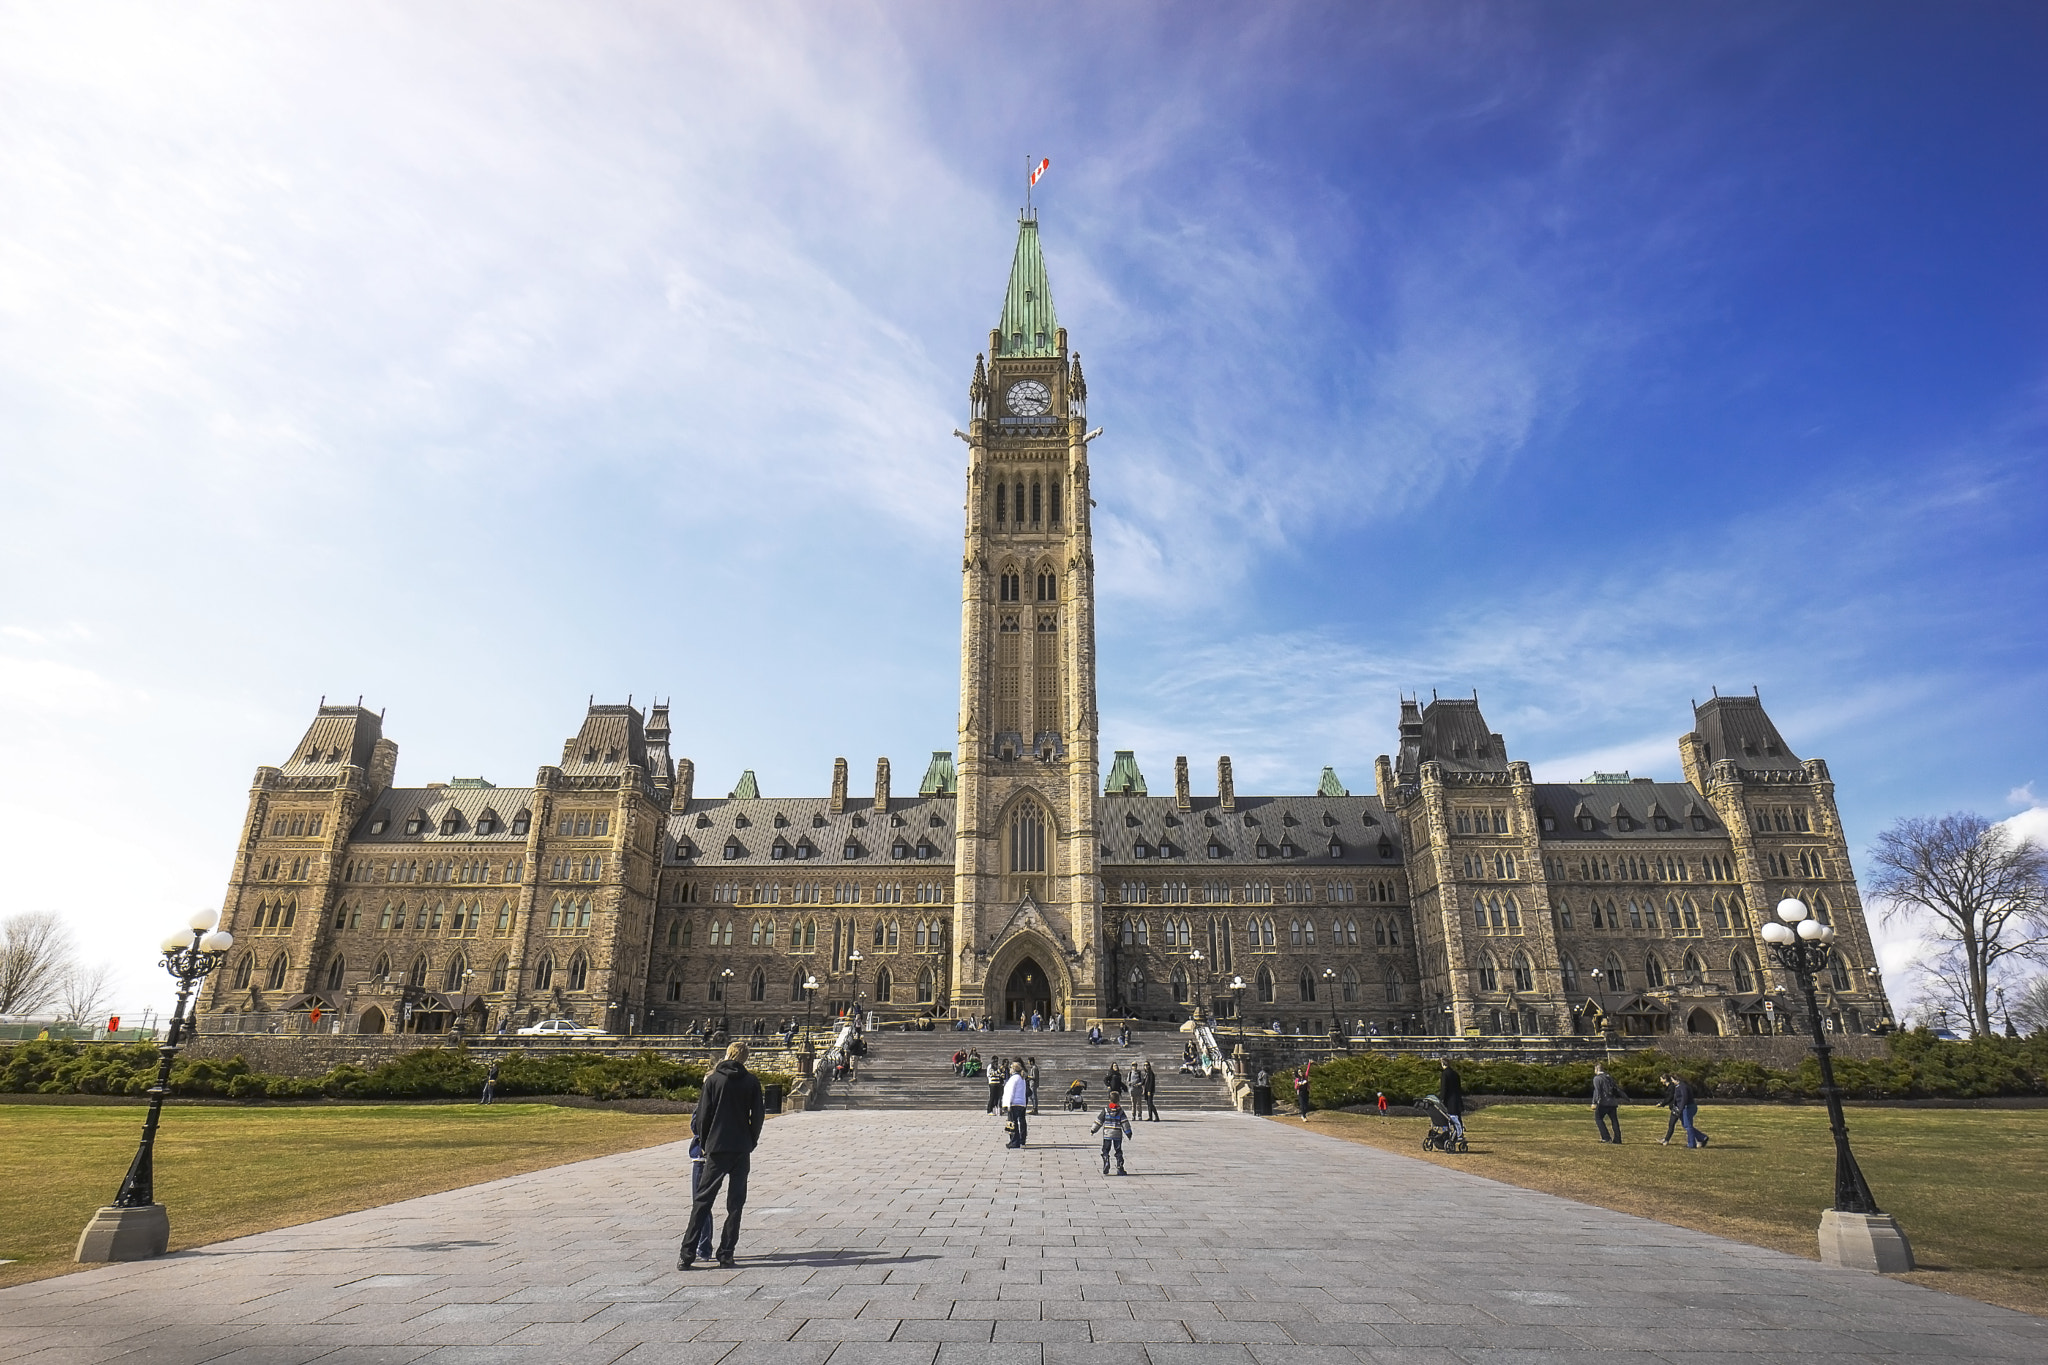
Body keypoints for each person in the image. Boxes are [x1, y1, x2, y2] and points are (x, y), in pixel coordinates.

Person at [679, 1040, 765, 1271]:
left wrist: (706, 1143)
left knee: (703, 1201)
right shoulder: (751, 1082)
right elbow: (757, 1116)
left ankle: (687, 1254)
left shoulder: (714, 1080)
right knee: (735, 1205)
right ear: (745, 1058)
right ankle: (726, 1253)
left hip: (717, 1148)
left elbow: (703, 1116)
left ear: (727, 1054)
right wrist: (751, 1140)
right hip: (740, 1148)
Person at [1660, 1072, 1707, 1148]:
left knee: (1688, 1125)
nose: (1672, 1081)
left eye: (1672, 1080)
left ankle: (1691, 1144)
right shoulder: (1678, 1086)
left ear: (1676, 1079)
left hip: (1688, 1107)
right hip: (1684, 1107)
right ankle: (1702, 1137)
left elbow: (1684, 1098)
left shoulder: (1683, 1086)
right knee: (1686, 1125)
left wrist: (1680, 1109)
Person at [1091, 1095, 1133, 1175]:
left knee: (1105, 1150)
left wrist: (1093, 1130)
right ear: (1118, 1100)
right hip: (1117, 1134)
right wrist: (1128, 1133)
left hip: (1107, 1134)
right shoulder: (1120, 1111)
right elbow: (1125, 1123)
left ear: (1109, 1100)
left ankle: (1106, 1160)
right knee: (1118, 1150)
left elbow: (1099, 1121)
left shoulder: (1106, 1110)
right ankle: (1120, 1167)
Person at [1591, 1062, 1623, 1144]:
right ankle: (1617, 1139)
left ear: (1596, 1069)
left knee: (1598, 1118)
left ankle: (1606, 1137)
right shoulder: (1609, 1077)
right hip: (1613, 1102)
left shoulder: (1597, 1079)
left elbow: (1597, 1091)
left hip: (1603, 1102)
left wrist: (1594, 1102)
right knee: (1614, 1121)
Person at [1002, 1061, 1030, 1147]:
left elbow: (1011, 1092)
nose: (1009, 1069)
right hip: (1021, 1103)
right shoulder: (1021, 1078)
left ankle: (1014, 1141)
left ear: (1013, 1069)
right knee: (1020, 1121)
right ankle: (1021, 1139)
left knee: (1012, 1122)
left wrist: (1008, 1104)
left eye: (1011, 1068)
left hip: (1014, 1103)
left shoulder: (1014, 1078)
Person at [1437, 1059, 1465, 1141]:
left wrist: (1441, 1099)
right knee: (1457, 1117)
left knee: (1449, 1117)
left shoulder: (1445, 1074)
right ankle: (1459, 1133)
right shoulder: (1455, 1074)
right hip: (1456, 1098)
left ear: (1443, 1064)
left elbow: (1444, 1088)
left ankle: (1449, 1133)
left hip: (1449, 1100)